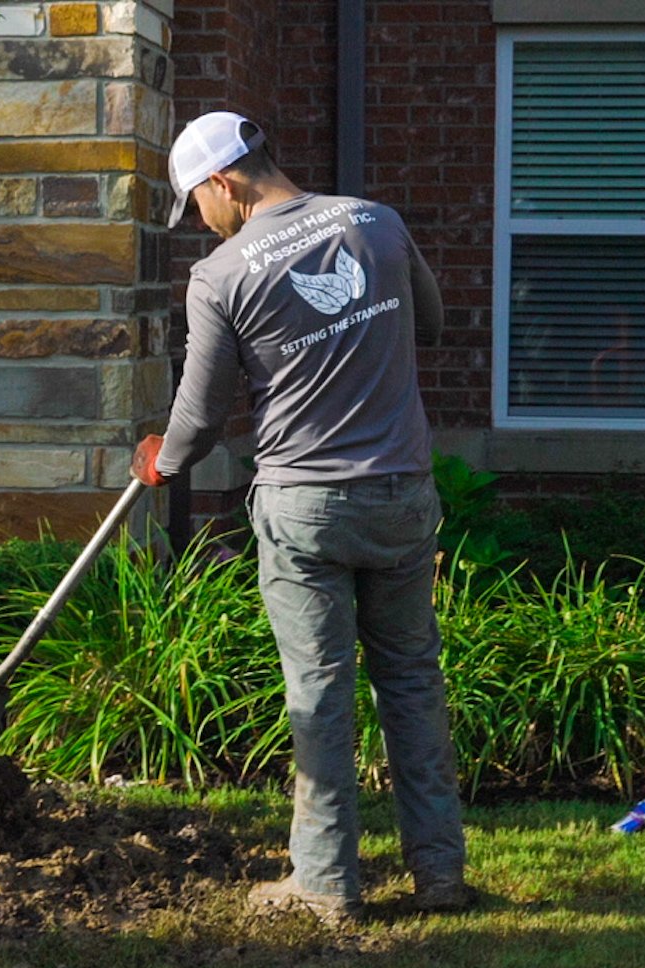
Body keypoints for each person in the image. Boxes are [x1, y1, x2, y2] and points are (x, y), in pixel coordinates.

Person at [133, 111, 469, 922]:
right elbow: (433, 323)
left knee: (319, 693)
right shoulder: (376, 222)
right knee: (413, 680)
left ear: (224, 183)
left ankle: (324, 881)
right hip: (400, 494)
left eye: (196, 207)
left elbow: (203, 413)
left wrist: (163, 460)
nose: (199, 226)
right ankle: (439, 871)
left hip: (306, 506)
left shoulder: (221, 275)